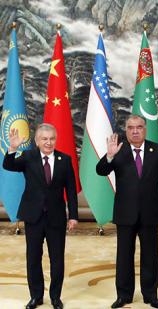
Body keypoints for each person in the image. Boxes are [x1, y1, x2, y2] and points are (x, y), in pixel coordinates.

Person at [96, 115, 158, 309]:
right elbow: (101, 170)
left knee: (150, 256)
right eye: (131, 128)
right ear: (126, 130)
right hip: (125, 213)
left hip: (151, 212)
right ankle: (123, 295)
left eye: (139, 127)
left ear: (145, 129)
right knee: (124, 256)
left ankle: (150, 294)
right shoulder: (118, 150)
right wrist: (110, 156)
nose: (135, 131)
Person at [3, 123, 78, 309]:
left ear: (56, 139)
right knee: (33, 258)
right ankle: (36, 296)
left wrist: (74, 216)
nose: (48, 142)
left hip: (56, 218)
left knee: (57, 259)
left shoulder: (65, 160)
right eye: (44, 139)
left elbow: (71, 190)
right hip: (33, 217)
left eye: (52, 138)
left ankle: (55, 297)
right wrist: (12, 148)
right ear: (37, 141)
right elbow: (9, 165)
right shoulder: (28, 157)